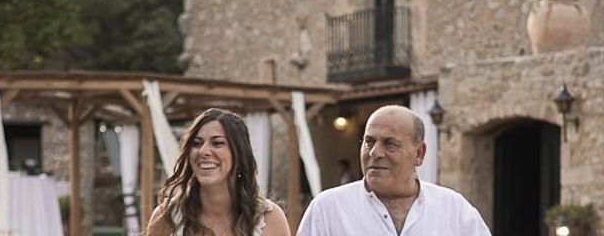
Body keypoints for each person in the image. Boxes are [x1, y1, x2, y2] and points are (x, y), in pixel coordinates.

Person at [297, 105, 491, 235]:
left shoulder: (454, 210)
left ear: (419, 153)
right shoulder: (327, 209)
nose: (375, 152)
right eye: (369, 142)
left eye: (390, 144)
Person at [145, 108, 291, 236]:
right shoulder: (167, 217)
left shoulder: (270, 220)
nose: (203, 151)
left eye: (217, 143)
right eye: (196, 143)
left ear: (239, 155)